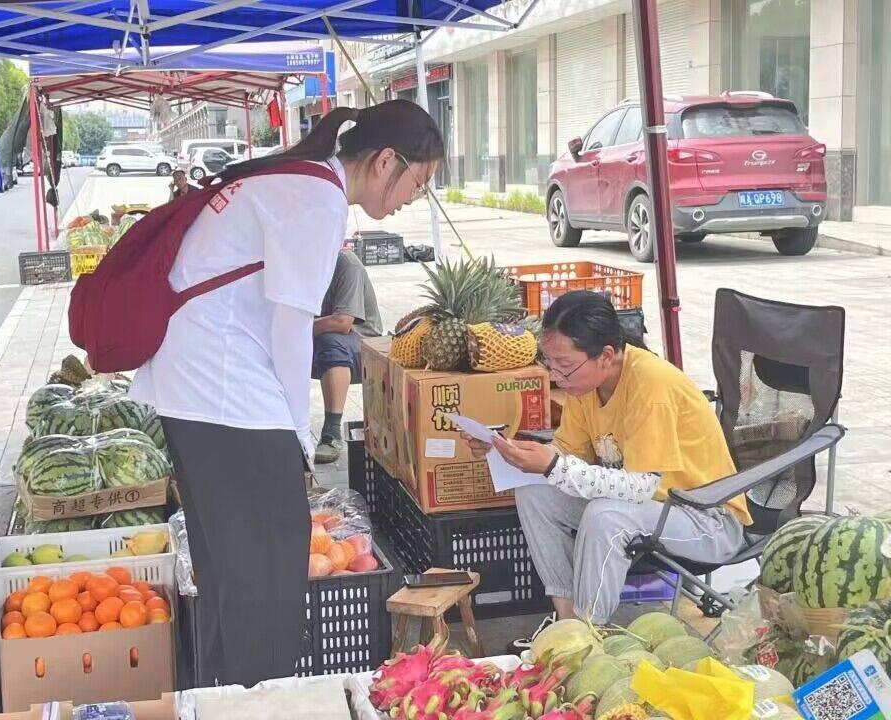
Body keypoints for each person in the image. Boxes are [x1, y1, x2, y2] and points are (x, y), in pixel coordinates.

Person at [129, 100, 444, 686]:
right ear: (384, 162)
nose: (410, 198)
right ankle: (255, 695)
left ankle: (224, 691)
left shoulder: (298, 180)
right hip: (226, 393)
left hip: (196, 387)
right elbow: (292, 326)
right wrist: (300, 436)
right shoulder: (317, 198)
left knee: (229, 565)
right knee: (269, 570)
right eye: (417, 183)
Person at [463, 291, 752, 635]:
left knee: (605, 515)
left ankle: (589, 633)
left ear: (606, 355)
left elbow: (642, 485)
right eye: (549, 363)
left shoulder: (651, 384)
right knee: (534, 494)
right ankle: (567, 620)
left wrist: (553, 465)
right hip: (650, 510)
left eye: (565, 366)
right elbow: (568, 456)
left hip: (706, 518)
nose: (555, 376)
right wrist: (510, 453)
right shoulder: (583, 387)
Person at [312, 249, 382, 464]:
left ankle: (331, 432)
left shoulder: (346, 263)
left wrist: (293, 330)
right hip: (313, 333)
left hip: (361, 343)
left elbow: (342, 322)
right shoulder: (295, 264)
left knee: (330, 342)